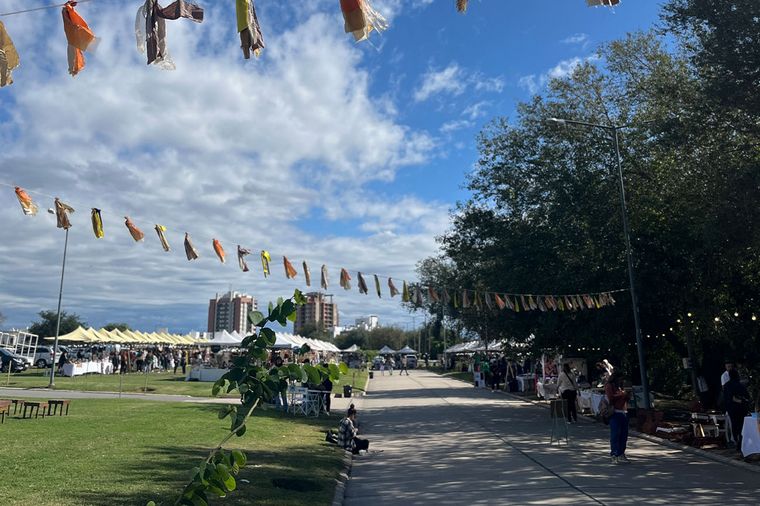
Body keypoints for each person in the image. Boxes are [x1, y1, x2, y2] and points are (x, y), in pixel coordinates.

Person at [605, 372, 631, 464]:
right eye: (621, 379)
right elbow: (610, 398)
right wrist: (621, 395)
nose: (622, 381)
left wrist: (626, 395)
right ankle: (614, 454)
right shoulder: (609, 386)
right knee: (615, 434)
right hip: (615, 412)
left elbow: (625, 399)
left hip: (623, 412)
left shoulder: (621, 386)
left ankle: (621, 453)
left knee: (624, 435)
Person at [723, 369, 750, 451]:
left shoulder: (727, 386)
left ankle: (736, 440)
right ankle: (741, 442)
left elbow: (726, 398)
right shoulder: (740, 385)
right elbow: (747, 397)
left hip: (732, 409)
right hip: (742, 408)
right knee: (741, 425)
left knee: (734, 425)